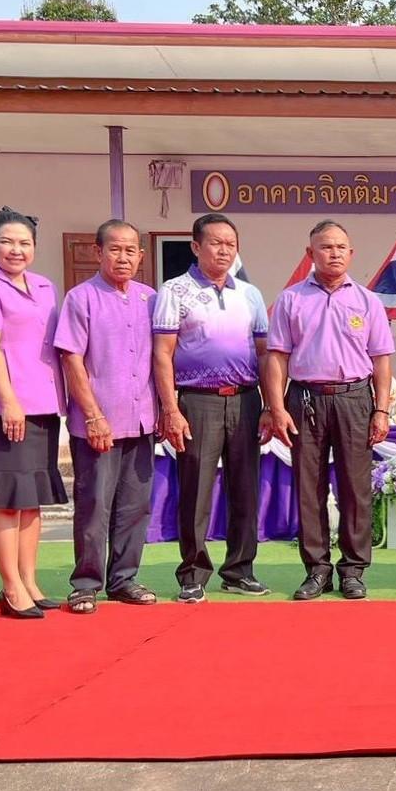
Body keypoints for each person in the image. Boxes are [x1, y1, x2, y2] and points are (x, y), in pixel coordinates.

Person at [262, 220, 394, 601]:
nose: (334, 253)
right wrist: (276, 408)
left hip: (355, 399)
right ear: (310, 254)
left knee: (355, 489)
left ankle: (353, 570)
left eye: (341, 247)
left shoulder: (368, 302)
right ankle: (316, 569)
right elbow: (277, 359)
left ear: (351, 254)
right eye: (325, 247)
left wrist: (381, 410)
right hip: (305, 400)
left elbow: (382, 360)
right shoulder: (291, 299)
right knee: (309, 489)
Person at [153, 212, 270, 603]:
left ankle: (239, 569)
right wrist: (170, 409)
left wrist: (270, 405)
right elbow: (163, 354)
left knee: (245, 489)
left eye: (231, 244)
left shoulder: (249, 294)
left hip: (245, 399)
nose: (224, 250)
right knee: (196, 490)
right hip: (196, 401)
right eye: (216, 242)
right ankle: (193, 573)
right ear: (196, 246)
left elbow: (264, 353)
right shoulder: (175, 290)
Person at [0, 208, 69, 619]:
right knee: (7, 499)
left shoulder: (44, 286)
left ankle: (30, 580)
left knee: (33, 499)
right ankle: (10, 587)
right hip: (6, 406)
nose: (15, 249)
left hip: (43, 403)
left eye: (24, 243)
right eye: (6, 241)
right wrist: (8, 400)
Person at [53, 220, 159, 614]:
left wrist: (166, 410)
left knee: (135, 505)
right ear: (98, 252)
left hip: (143, 419)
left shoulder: (150, 299)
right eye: (115, 249)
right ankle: (85, 583)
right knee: (95, 503)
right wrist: (93, 415)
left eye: (131, 250)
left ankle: (124, 579)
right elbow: (71, 359)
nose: (123, 257)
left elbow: (161, 360)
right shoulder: (81, 299)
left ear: (141, 257)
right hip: (99, 423)